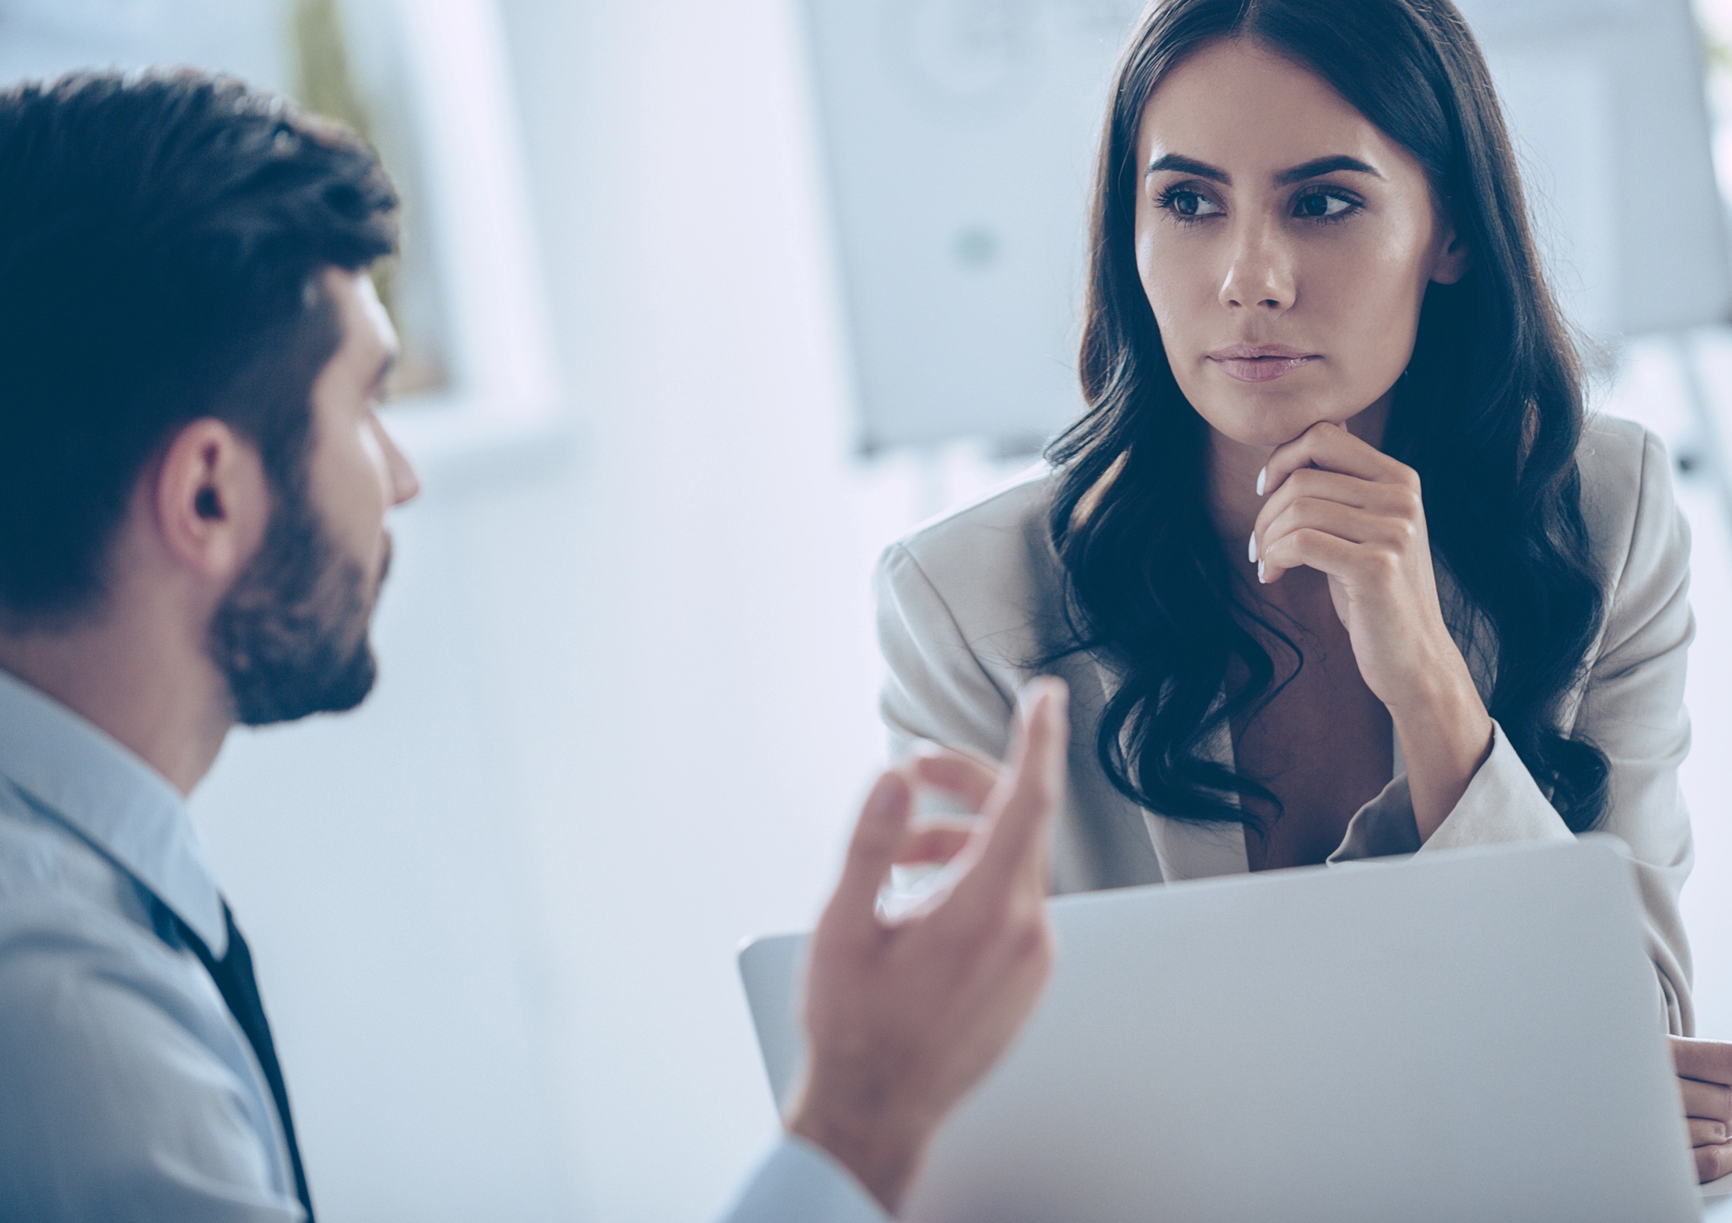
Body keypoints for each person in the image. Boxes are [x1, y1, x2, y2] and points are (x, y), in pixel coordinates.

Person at [0, 69, 1066, 1223]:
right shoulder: (66, 1011)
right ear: (208, 494)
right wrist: (861, 1115)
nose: (397, 476)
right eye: (364, 403)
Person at [875, 0, 1732, 1184]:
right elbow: (977, 1127)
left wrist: (1426, 682)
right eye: (1186, 200)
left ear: (1448, 232)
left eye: (1323, 201)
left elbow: (1629, 1039)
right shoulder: (966, 607)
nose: (1249, 275)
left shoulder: (1602, 509)